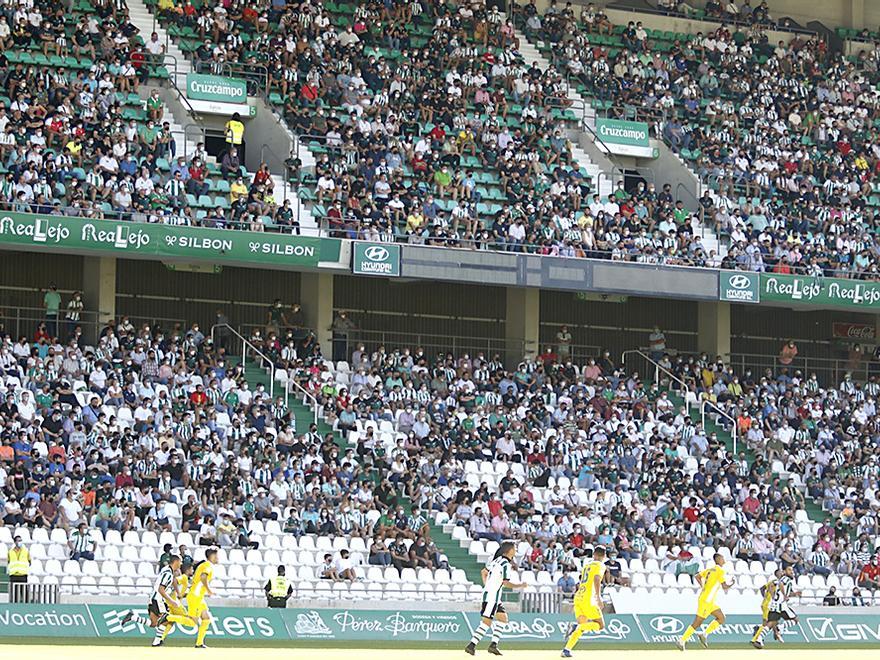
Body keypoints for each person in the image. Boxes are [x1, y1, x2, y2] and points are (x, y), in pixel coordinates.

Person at [122, 554, 196, 646]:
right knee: (166, 620)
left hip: (152, 598)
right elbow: (161, 589)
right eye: (180, 562)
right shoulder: (168, 574)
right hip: (158, 599)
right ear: (176, 562)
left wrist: (177, 592)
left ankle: (133, 617)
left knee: (154, 623)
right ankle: (156, 642)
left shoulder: (166, 569)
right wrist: (172, 601)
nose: (181, 564)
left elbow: (170, 581)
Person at [465, 541, 525, 656]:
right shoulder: (505, 564)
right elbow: (506, 583)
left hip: (493, 596)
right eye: (515, 548)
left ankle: (493, 645)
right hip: (492, 597)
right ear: (510, 550)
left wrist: (487, 585)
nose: (516, 550)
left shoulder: (496, 561)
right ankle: (471, 645)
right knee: (486, 622)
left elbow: (484, 572)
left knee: (503, 618)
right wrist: (520, 585)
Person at [676, 553, 731, 650]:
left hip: (709, 600)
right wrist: (732, 583)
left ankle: (704, 634)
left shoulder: (710, 569)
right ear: (718, 559)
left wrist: (703, 587)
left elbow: (697, 576)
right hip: (707, 601)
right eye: (722, 558)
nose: (724, 559)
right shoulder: (720, 570)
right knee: (697, 623)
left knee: (721, 618)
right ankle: (682, 640)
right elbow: (724, 586)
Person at [561, 546, 607, 657]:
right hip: (588, 598)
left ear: (594, 554)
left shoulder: (587, 565)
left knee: (582, 626)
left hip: (579, 597)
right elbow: (596, 579)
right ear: (604, 556)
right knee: (600, 625)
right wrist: (598, 596)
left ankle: (566, 650)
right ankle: (575, 626)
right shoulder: (600, 565)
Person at [752, 566, 799, 648]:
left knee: (770, 623)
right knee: (795, 620)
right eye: (789, 570)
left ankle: (759, 640)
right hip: (782, 605)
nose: (792, 572)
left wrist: (774, 595)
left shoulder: (778, 580)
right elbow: (781, 585)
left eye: (792, 570)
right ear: (784, 572)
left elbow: (771, 586)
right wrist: (784, 595)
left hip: (775, 604)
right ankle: (779, 628)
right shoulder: (786, 579)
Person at [186, 547, 218, 648]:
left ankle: (199, 643)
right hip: (195, 597)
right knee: (192, 623)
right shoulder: (208, 566)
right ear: (212, 556)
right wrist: (209, 590)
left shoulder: (205, 565)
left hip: (199, 597)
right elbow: (203, 577)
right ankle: (169, 617)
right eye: (216, 555)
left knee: (206, 618)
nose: (218, 558)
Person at [7, 535, 30, 602]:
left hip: (23, 574)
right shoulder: (10, 552)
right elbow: (9, 561)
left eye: (21, 540)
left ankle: (26, 606)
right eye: (18, 540)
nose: (20, 542)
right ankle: (14, 605)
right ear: (15, 542)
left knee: (24, 592)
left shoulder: (26, 551)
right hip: (13, 575)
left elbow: (29, 561)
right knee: (14, 593)